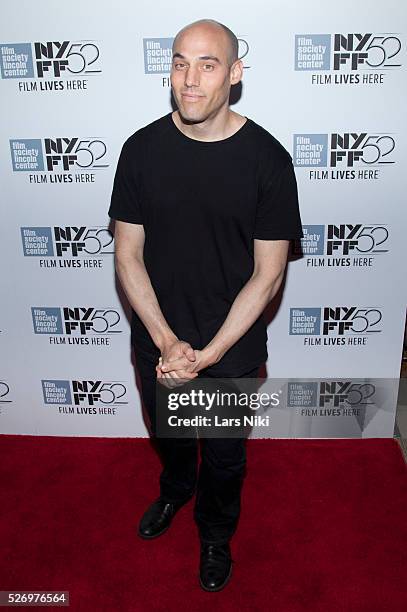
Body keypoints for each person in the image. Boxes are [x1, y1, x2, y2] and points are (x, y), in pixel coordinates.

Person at [108, 18, 303, 592]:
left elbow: (267, 278)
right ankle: (174, 492)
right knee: (169, 436)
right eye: (178, 63)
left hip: (231, 349)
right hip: (157, 340)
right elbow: (128, 257)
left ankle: (215, 534)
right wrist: (168, 343)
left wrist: (209, 354)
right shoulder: (141, 150)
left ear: (236, 73)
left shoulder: (268, 160)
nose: (189, 80)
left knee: (223, 458)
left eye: (208, 64)